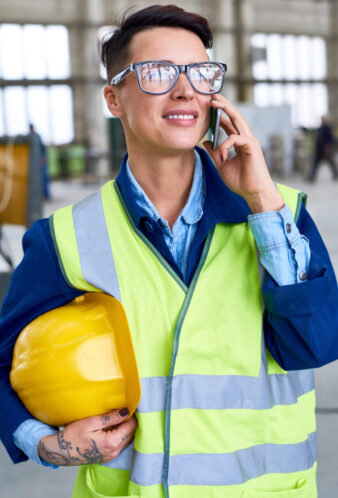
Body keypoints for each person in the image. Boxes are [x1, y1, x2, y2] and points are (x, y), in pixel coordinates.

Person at [0, 5, 338, 497]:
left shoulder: (279, 211)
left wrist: (262, 203)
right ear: (113, 98)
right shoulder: (67, 238)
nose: (185, 90)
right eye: (157, 73)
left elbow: (315, 345)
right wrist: (47, 444)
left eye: (201, 73)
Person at [309, 115, 338, 182]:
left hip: (325, 149)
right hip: (319, 150)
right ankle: (312, 176)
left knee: (331, 163)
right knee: (316, 163)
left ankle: (336, 174)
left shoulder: (327, 128)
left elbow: (330, 138)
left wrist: (328, 147)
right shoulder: (320, 128)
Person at [29, 123, 51, 199]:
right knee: (36, 179)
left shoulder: (37, 136)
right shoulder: (29, 137)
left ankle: (46, 195)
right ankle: (39, 195)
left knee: (44, 178)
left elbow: (43, 148)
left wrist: (43, 158)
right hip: (34, 162)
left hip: (41, 160)